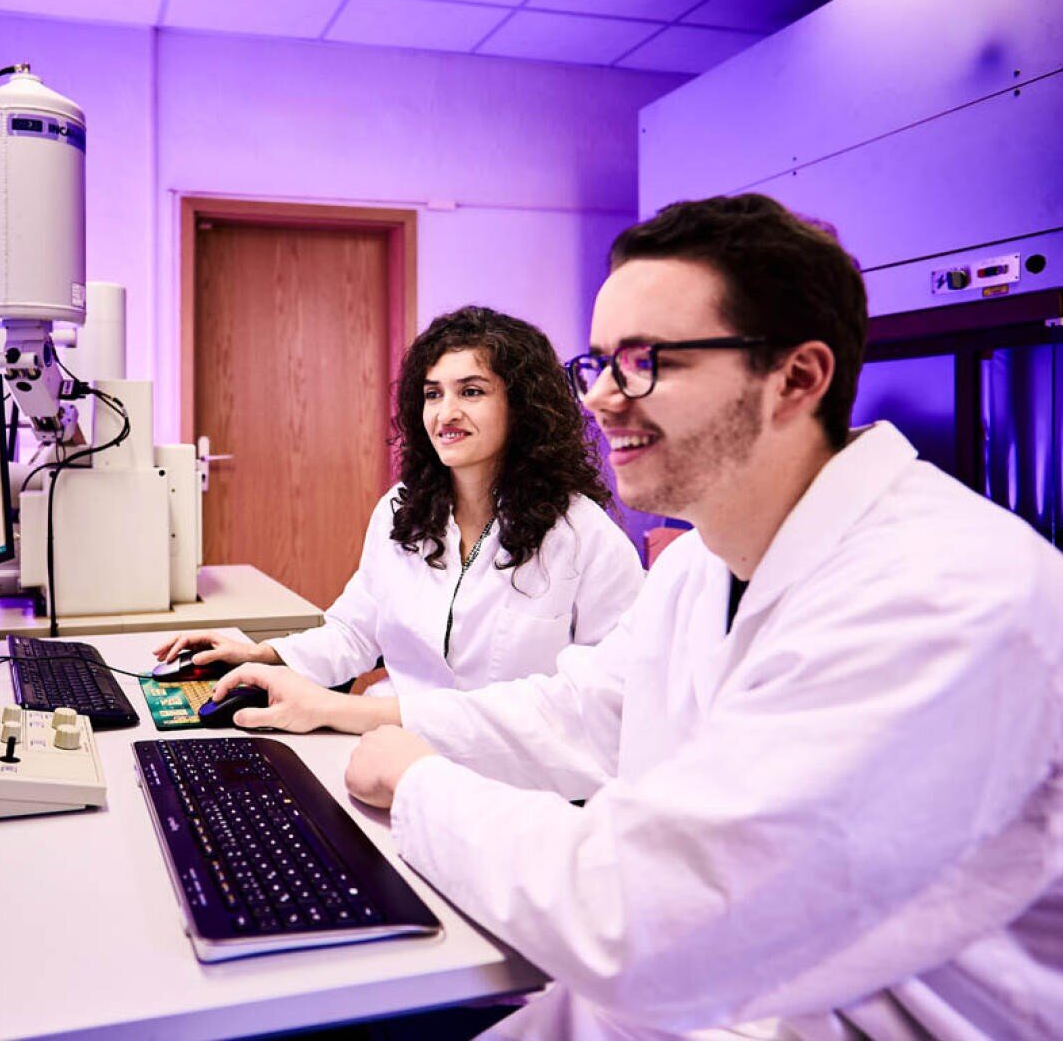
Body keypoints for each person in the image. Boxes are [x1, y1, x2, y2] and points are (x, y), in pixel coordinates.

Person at [213, 195, 1063, 1038]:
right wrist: (350, 713)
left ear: (797, 378)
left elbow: (648, 920)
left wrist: (419, 781)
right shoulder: (702, 563)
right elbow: (583, 708)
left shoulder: (945, 596)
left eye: (649, 360)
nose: (604, 398)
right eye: (601, 365)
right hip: (683, 1003)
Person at [155, 306, 643, 699]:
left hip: (516, 778)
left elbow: (608, 702)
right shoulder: (403, 511)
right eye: (433, 395)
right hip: (395, 747)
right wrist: (262, 654)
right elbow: (355, 632)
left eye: (471, 392)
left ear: (523, 408)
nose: (446, 414)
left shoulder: (583, 536)